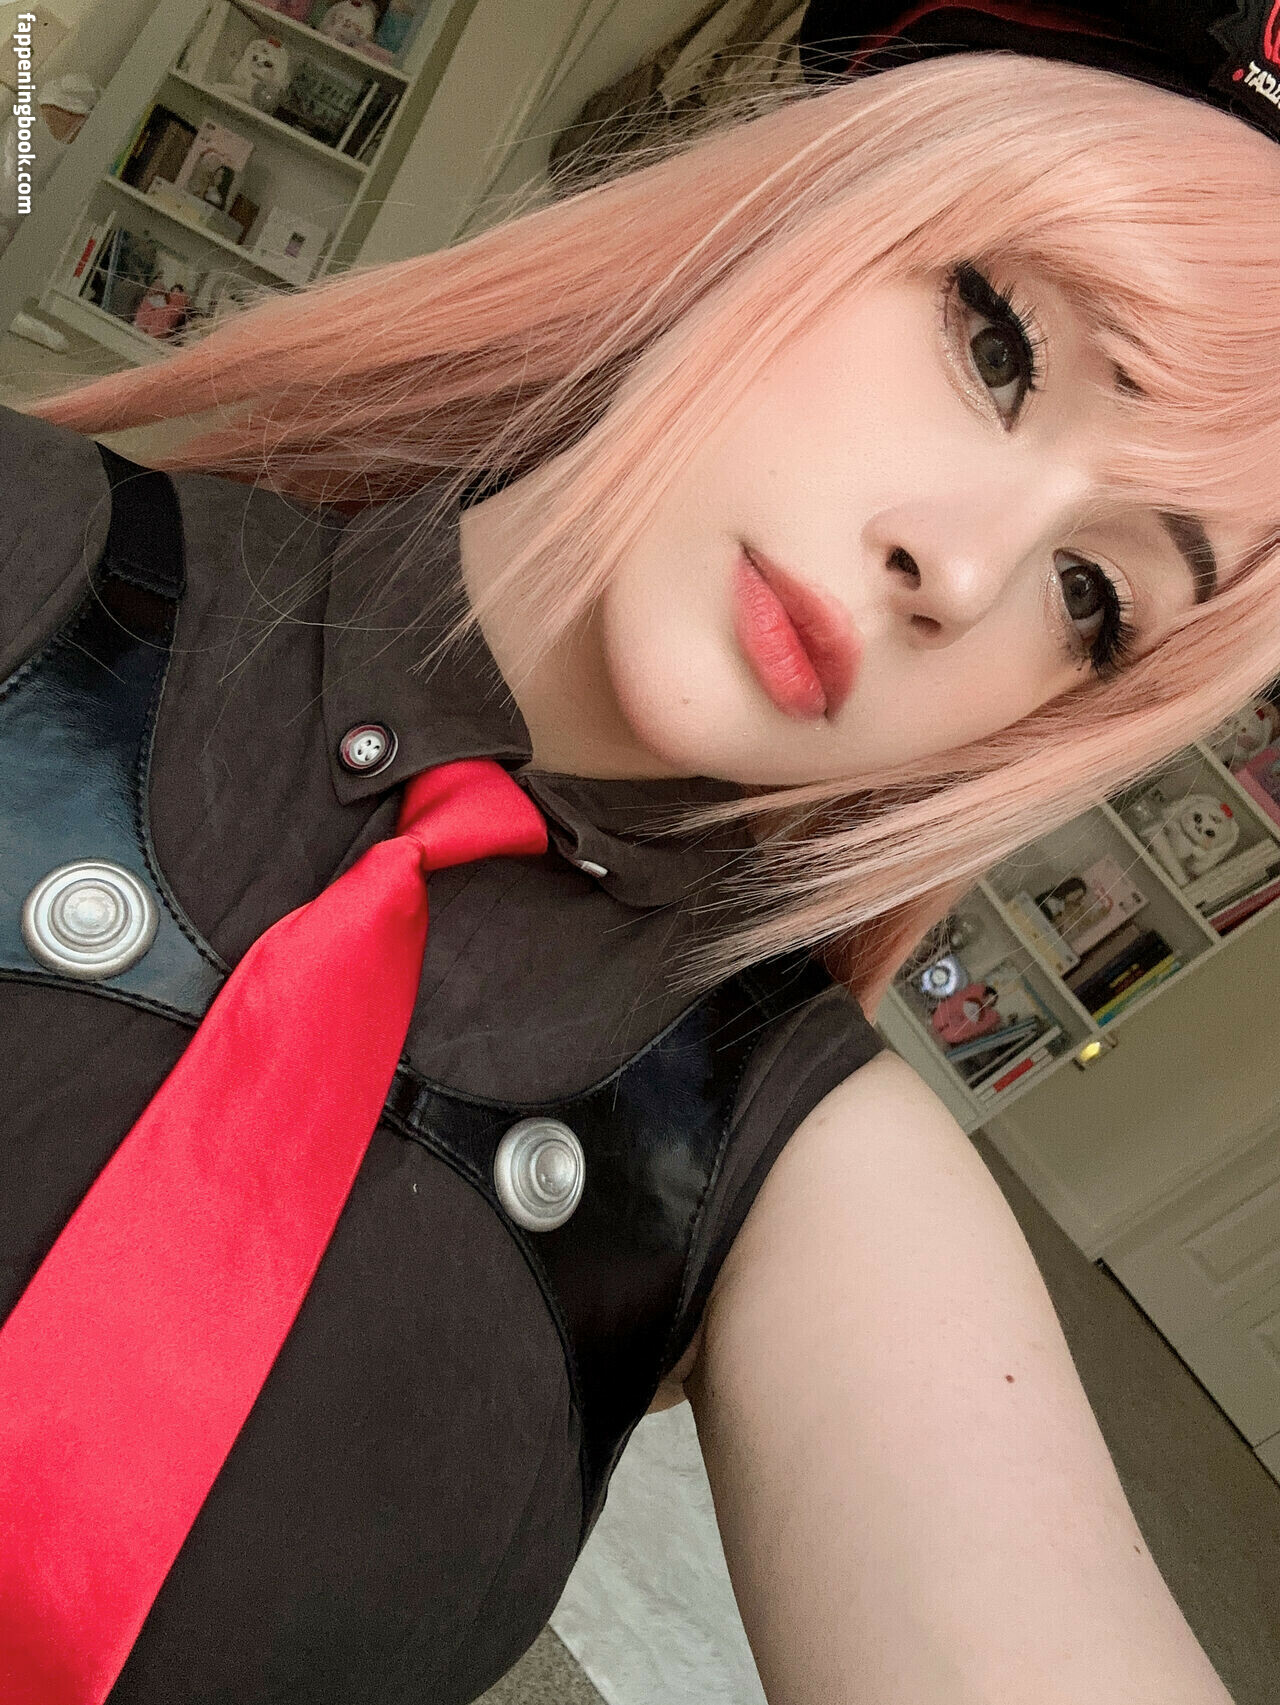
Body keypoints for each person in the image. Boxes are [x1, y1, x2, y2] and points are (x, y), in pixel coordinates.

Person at [1, 1, 1276, 1700]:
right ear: (804, 203)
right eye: (998, 346)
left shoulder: (803, 1171)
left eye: (1093, 595)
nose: (963, 573)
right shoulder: (32, 537)